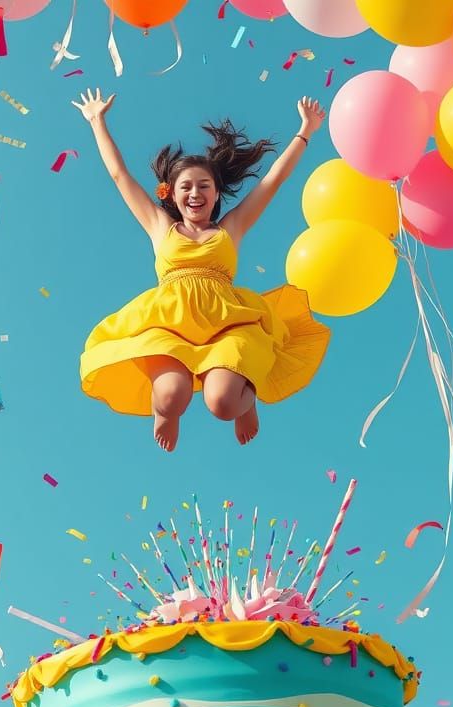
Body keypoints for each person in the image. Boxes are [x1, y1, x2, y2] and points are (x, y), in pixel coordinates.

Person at [73, 88, 330, 451]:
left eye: (203, 186)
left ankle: (246, 399)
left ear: (216, 192)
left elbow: (272, 181)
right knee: (171, 395)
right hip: (168, 325)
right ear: (172, 195)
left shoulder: (231, 228)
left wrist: (305, 131)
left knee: (222, 404)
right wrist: (97, 121)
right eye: (186, 187)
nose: (195, 193)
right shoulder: (160, 227)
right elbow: (120, 176)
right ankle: (167, 413)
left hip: (227, 324)